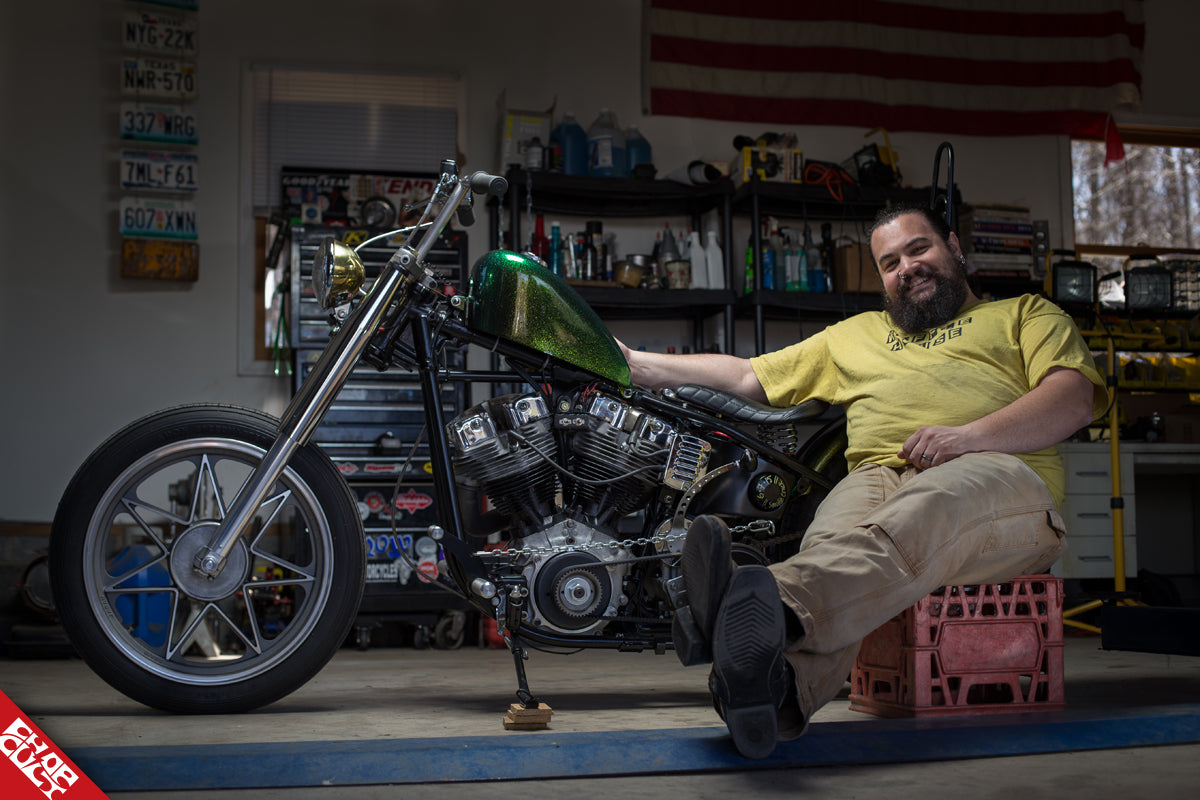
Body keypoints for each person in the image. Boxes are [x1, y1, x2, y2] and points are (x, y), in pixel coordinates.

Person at [620, 203, 1108, 759]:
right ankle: (770, 691)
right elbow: (748, 375)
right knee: (835, 544)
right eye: (890, 262)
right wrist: (637, 364)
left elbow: (1073, 398)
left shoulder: (1025, 314)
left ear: (953, 246)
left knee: (930, 506)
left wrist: (968, 437)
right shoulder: (855, 336)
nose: (907, 267)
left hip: (1002, 479)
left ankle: (761, 603)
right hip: (881, 478)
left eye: (919, 249)